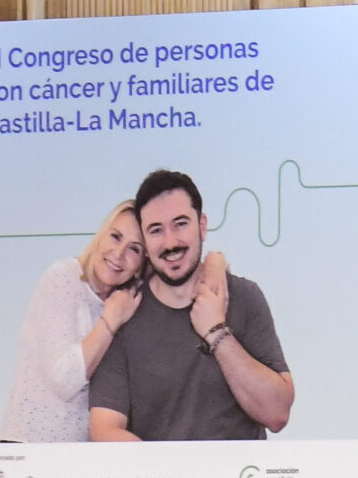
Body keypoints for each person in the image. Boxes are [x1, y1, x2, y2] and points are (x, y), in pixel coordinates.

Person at [88, 169, 294, 443]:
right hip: (160, 472)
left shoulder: (245, 296)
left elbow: (277, 414)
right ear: (145, 243)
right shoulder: (124, 313)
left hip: (237, 472)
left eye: (180, 224)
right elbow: (104, 430)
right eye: (156, 230)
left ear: (202, 226)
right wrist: (172, 469)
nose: (170, 242)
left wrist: (216, 332)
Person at [0, 202, 147, 442]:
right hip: (29, 446)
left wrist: (212, 263)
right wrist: (111, 320)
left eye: (134, 249)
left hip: (79, 455)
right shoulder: (63, 277)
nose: (119, 254)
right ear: (101, 235)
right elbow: (64, 379)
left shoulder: (128, 300)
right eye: (115, 236)